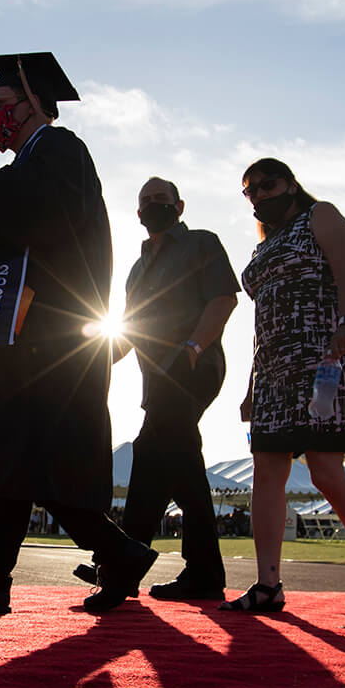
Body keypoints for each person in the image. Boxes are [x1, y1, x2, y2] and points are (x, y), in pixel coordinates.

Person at [0, 52, 157, 615]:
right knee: (26, 457)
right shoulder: (34, 165)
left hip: (55, 337)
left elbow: (25, 207)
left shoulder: (62, 150)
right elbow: (14, 233)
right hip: (38, 335)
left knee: (33, 455)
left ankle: (0, 577)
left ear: (35, 104)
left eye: (0, 104)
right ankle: (83, 561)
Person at [229, 158, 345, 616]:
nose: (262, 195)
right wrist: (251, 384)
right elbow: (262, 322)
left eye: (269, 184)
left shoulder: (319, 215)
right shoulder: (262, 248)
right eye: (251, 192)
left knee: (325, 472)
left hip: (320, 360)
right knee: (266, 472)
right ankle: (267, 585)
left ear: (290, 183)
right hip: (271, 371)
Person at [114, 177, 240, 600]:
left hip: (192, 367)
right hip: (158, 380)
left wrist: (194, 344)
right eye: (145, 200)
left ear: (179, 206)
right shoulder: (137, 268)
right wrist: (90, 363)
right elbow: (128, 330)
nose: (153, 205)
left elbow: (223, 298)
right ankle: (134, 563)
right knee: (163, 460)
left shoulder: (201, 243)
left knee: (159, 454)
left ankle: (125, 562)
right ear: (137, 214)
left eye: (161, 199)